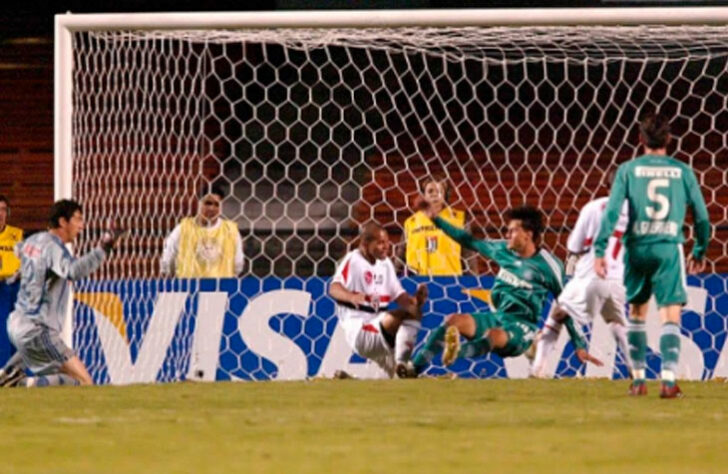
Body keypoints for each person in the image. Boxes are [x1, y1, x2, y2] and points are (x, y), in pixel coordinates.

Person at [594, 112, 710, 398]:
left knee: (636, 313)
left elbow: (612, 212)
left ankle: (638, 380)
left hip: (636, 248)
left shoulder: (627, 170)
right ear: (669, 139)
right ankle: (668, 381)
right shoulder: (682, 171)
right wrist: (700, 248)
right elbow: (703, 217)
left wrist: (600, 249)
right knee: (671, 315)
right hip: (668, 247)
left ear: (640, 139)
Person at [411, 204, 601, 375]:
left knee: (494, 336)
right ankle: (414, 368)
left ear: (528, 234)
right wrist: (434, 217)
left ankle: (456, 352)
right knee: (452, 321)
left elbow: (565, 305)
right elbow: (468, 240)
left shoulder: (550, 266)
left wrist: (579, 344)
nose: (507, 235)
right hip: (498, 316)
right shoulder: (502, 250)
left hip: (522, 326)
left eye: (513, 231)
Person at [0, 199, 124, 387]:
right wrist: (103, 248)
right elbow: (72, 271)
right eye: (78, 219)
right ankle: (24, 383)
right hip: (38, 329)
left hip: (17, 323)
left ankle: (7, 373)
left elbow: (19, 251)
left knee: (37, 360)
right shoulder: (54, 248)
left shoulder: (33, 240)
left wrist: (19, 274)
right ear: (63, 222)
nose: (82, 225)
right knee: (84, 382)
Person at [530, 190, 631, 378]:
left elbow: (574, 246)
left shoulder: (593, 207)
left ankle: (537, 369)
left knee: (559, 313)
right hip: (620, 278)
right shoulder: (639, 211)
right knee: (616, 322)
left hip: (591, 274)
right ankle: (637, 372)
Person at [329, 222, 427, 378]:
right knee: (402, 316)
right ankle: (402, 362)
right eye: (381, 242)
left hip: (381, 330)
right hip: (360, 329)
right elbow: (333, 288)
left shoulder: (386, 263)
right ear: (365, 244)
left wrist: (416, 301)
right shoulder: (353, 260)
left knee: (400, 380)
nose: (386, 246)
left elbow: (399, 296)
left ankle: (349, 381)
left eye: (387, 242)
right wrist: (352, 296)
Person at [160, 186, 244, 278]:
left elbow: (238, 264)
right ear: (199, 203)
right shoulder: (183, 229)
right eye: (208, 203)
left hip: (221, 289)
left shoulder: (230, 230)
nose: (212, 208)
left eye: (216, 204)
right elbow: (168, 260)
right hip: (189, 288)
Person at [402, 177, 473, 276]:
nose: (435, 194)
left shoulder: (459, 219)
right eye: (430, 191)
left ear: (445, 195)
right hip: (419, 282)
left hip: (451, 281)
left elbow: (469, 256)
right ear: (423, 195)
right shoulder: (411, 222)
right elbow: (400, 256)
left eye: (439, 191)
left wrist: (474, 281)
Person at [0, 195, 23, 366]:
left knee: (18, 330)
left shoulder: (18, 234)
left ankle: (17, 372)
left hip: (15, 287)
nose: (0, 214)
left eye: (2, 210)